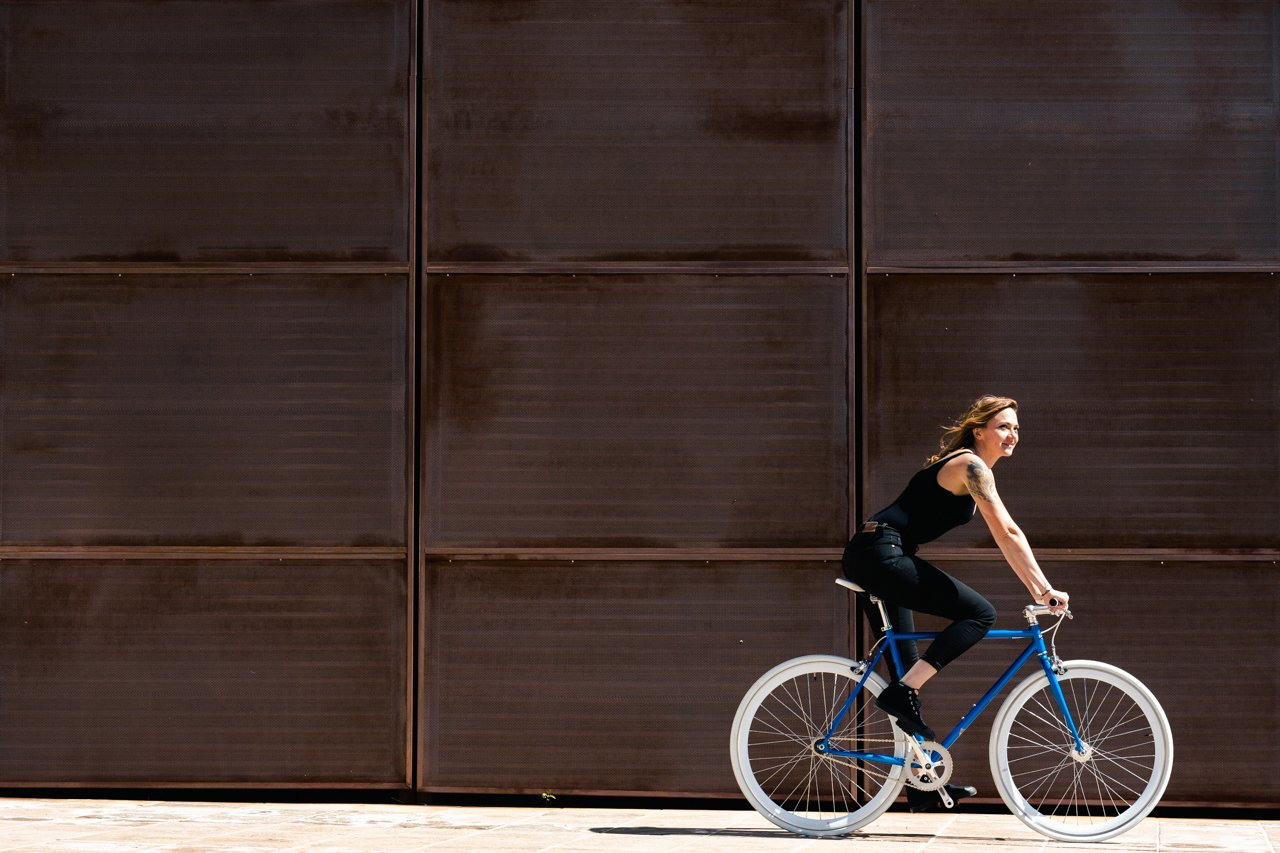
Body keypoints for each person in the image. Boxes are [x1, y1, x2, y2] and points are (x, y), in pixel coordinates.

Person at [842, 395, 1070, 812]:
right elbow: (1008, 533)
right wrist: (1042, 589)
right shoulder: (971, 466)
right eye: (1003, 426)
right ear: (979, 430)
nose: (1012, 434)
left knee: (906, 679)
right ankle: (902, 695)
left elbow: (1005, 534)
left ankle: (923, 788)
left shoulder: (971, 467)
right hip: (881, 552)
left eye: (1016, 428)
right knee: (979, 614)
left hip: (882, 552)